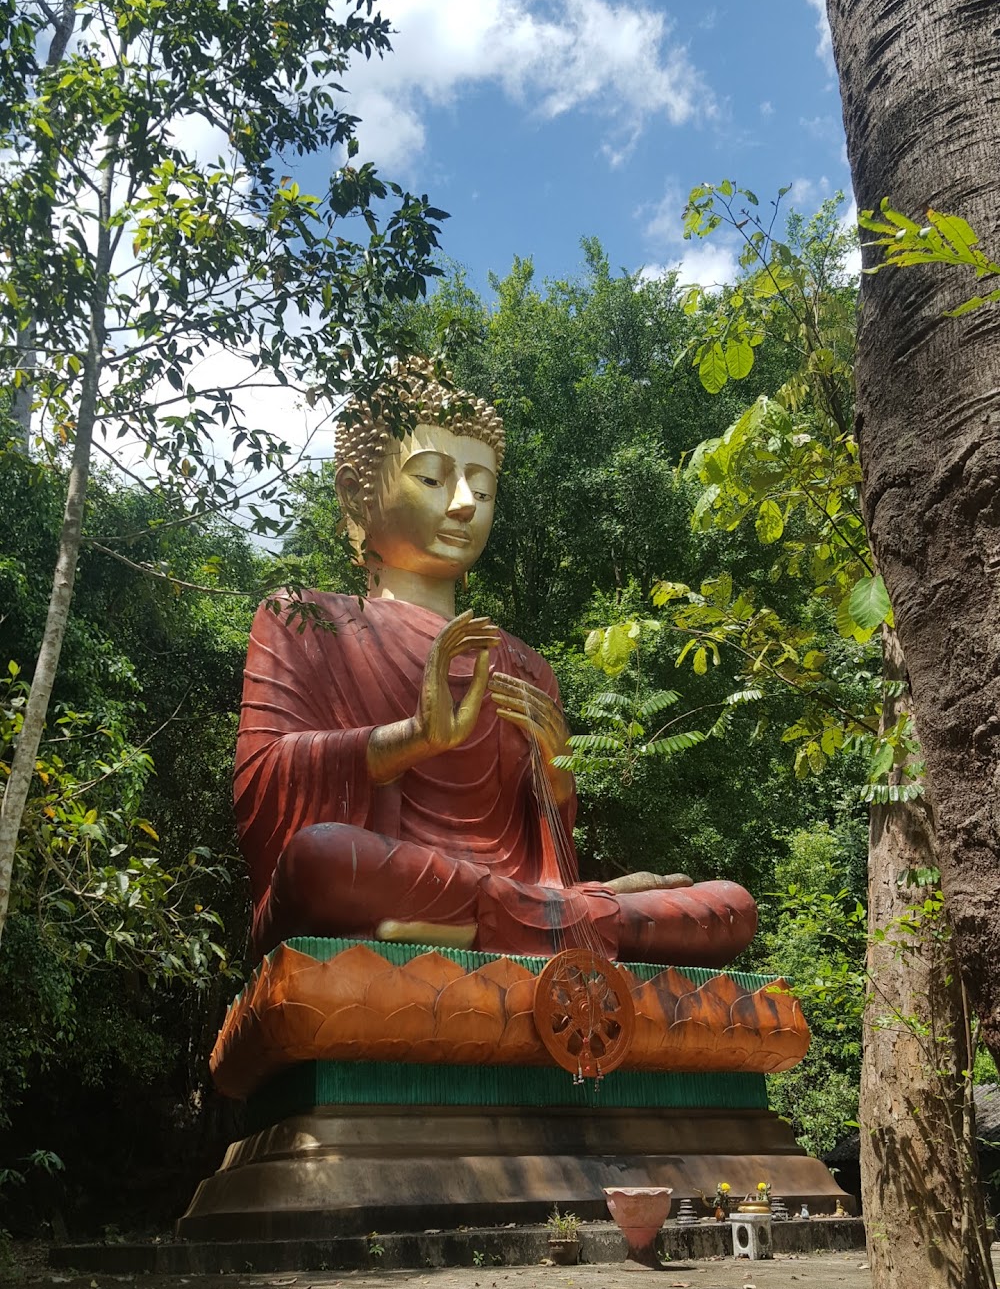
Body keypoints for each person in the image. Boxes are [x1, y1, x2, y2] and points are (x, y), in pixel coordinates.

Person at [235, 359, 757, 965]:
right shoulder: (304, 618)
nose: (464, 504)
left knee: (729, 907)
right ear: (355, 490)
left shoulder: (526, 666)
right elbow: (263, 783)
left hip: (482, 900)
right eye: (433, 479)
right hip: (391, 876)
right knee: (320, 859)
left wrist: (558, 781)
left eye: (482, 489)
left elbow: (545, 847)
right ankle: (580, 927)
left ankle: (527, 923)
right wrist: (412, 739)